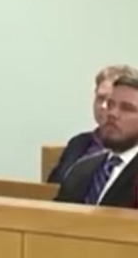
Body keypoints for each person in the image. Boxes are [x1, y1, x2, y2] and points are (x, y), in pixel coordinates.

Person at [54, 75, 138, 208]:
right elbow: (55, 215)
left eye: (127, 108)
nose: (112, 113)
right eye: (110, 105)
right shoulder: (82, 168)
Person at [46, 64, 138, 183]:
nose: (104, 107)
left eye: (124, 107)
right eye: (101, 98)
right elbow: (53, 187)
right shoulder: (79, 143)